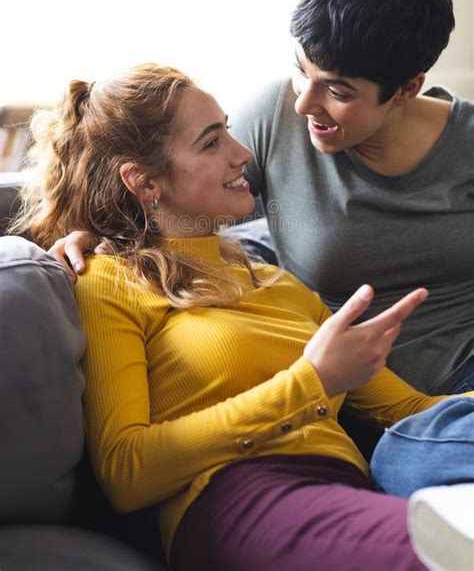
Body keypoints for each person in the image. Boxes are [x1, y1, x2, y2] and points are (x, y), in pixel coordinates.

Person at [9, 63, 473, 570]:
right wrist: (310, 381)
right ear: (143, 181)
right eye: (211, 142)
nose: (242, 153)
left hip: (353, 485)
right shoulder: (110, 280)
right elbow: (126, 470)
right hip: (237, 498)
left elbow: (415, 414)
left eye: (228, 129)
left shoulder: (282, 284)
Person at [53, 0, 474, 397]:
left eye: (338, 91)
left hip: (459, 383)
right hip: (346, 398)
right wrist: (97, 232)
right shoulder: (275, 117)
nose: (304, 103)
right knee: (404, 457)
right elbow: (175, 189)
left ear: (407, 88)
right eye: (301, 70)